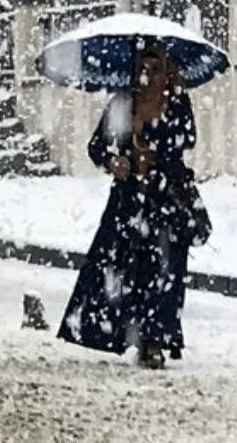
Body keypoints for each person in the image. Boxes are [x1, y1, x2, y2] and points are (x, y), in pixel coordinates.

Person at [57, 42, 198, 369]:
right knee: (123, 267)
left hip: (165, 199)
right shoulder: (122, 103)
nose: (148, 76)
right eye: (143, 69)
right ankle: (118, 332)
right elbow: (95, 147)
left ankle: (154, 337)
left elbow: (187, 140)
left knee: (164, 269)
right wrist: (114, 161)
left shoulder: (176, 103)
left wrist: (156, 147)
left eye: (155, 68)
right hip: (128, 201)